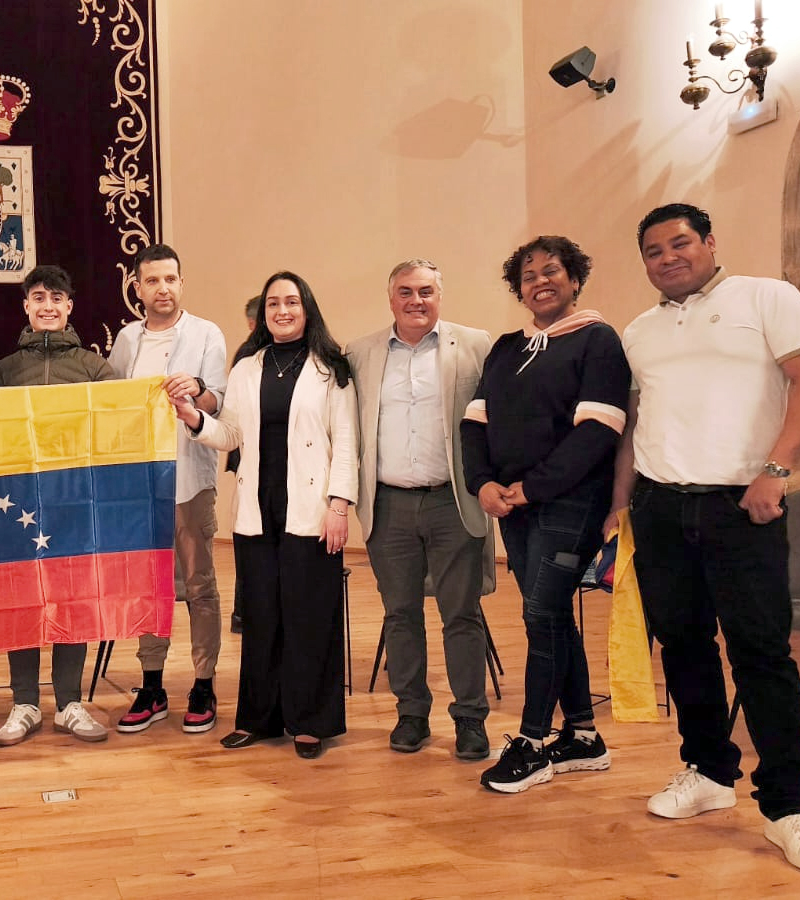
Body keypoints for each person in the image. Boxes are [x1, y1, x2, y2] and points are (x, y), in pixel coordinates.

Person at [609, 203, 800, 873]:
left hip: (742, 507)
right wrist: (620, 505)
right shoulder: (640, 330)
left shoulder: (765, 298)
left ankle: (789, 806)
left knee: (761, 653)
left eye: (679, 243)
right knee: (682, 646)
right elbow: (635, 422)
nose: (667, 258)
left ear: (709, 242)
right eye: (653, 251)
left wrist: (776, 471)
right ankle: (709, 770)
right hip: (659, 507)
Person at [463, 235, 628, 793]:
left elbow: (598, 431)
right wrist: (483, 483)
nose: (540, 281)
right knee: (550, 614)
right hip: (514, 505)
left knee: (540, 615)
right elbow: (474, 422)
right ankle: (582, 736)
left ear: (574, 278)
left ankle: (532, 744)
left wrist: (531, 488)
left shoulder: (598, 340)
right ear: (519, 289)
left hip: (570, 503)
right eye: (529, 275)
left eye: (552, 270)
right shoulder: (508, 347)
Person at [174, 271, 357, 759]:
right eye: (273, 303)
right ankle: (260, 718)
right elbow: (231, 434)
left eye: (291, 302)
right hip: (256, 509)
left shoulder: (331, 367)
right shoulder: (246, 368)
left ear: (307, 309)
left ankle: (310, 721)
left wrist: (339, 505)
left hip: (312, 510)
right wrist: (195, 419)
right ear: (263, 314)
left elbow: (346, 441)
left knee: (309, 617)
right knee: (261, 616)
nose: (282, 310)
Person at [345, 259, 493, 760]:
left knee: (462, 615)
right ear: (391, 299)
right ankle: (411, 713)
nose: (416, 301)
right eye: (406, 292)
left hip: (454, 502)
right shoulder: (360, 353)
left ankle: (470, 718)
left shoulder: (475, 345)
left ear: (439, 296)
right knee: (400, 615)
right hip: (388, 505)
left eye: (426, 291)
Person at [0, 265, 115, 747]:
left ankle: (68, 704)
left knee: (73, 598)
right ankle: (24, 703)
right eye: (38, 297)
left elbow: (115, 430)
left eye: (56, 298)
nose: (47, 305)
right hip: (16, 504)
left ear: (69, 307)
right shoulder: (3, 371)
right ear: (25, 306)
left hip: (75, 503)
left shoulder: (95, 369)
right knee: (21, 598)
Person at [106, 244, 228, 734]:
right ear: (137, 287)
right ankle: (152, 685)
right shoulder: (126, 339)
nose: (163, 288)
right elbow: (112, 403)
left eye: (171, 279)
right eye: (153, 280)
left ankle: (203, 683)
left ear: (181, 283)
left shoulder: (207, 333)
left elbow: (218, 401)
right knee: (148, 587)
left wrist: (196, 389)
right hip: (140, 485)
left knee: (200, 586)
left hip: (191, 480)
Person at [229, 294, 260, 636]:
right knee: (248, 539)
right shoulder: (248, 356)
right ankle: (243, 612)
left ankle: (244, 612)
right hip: (248, 460)